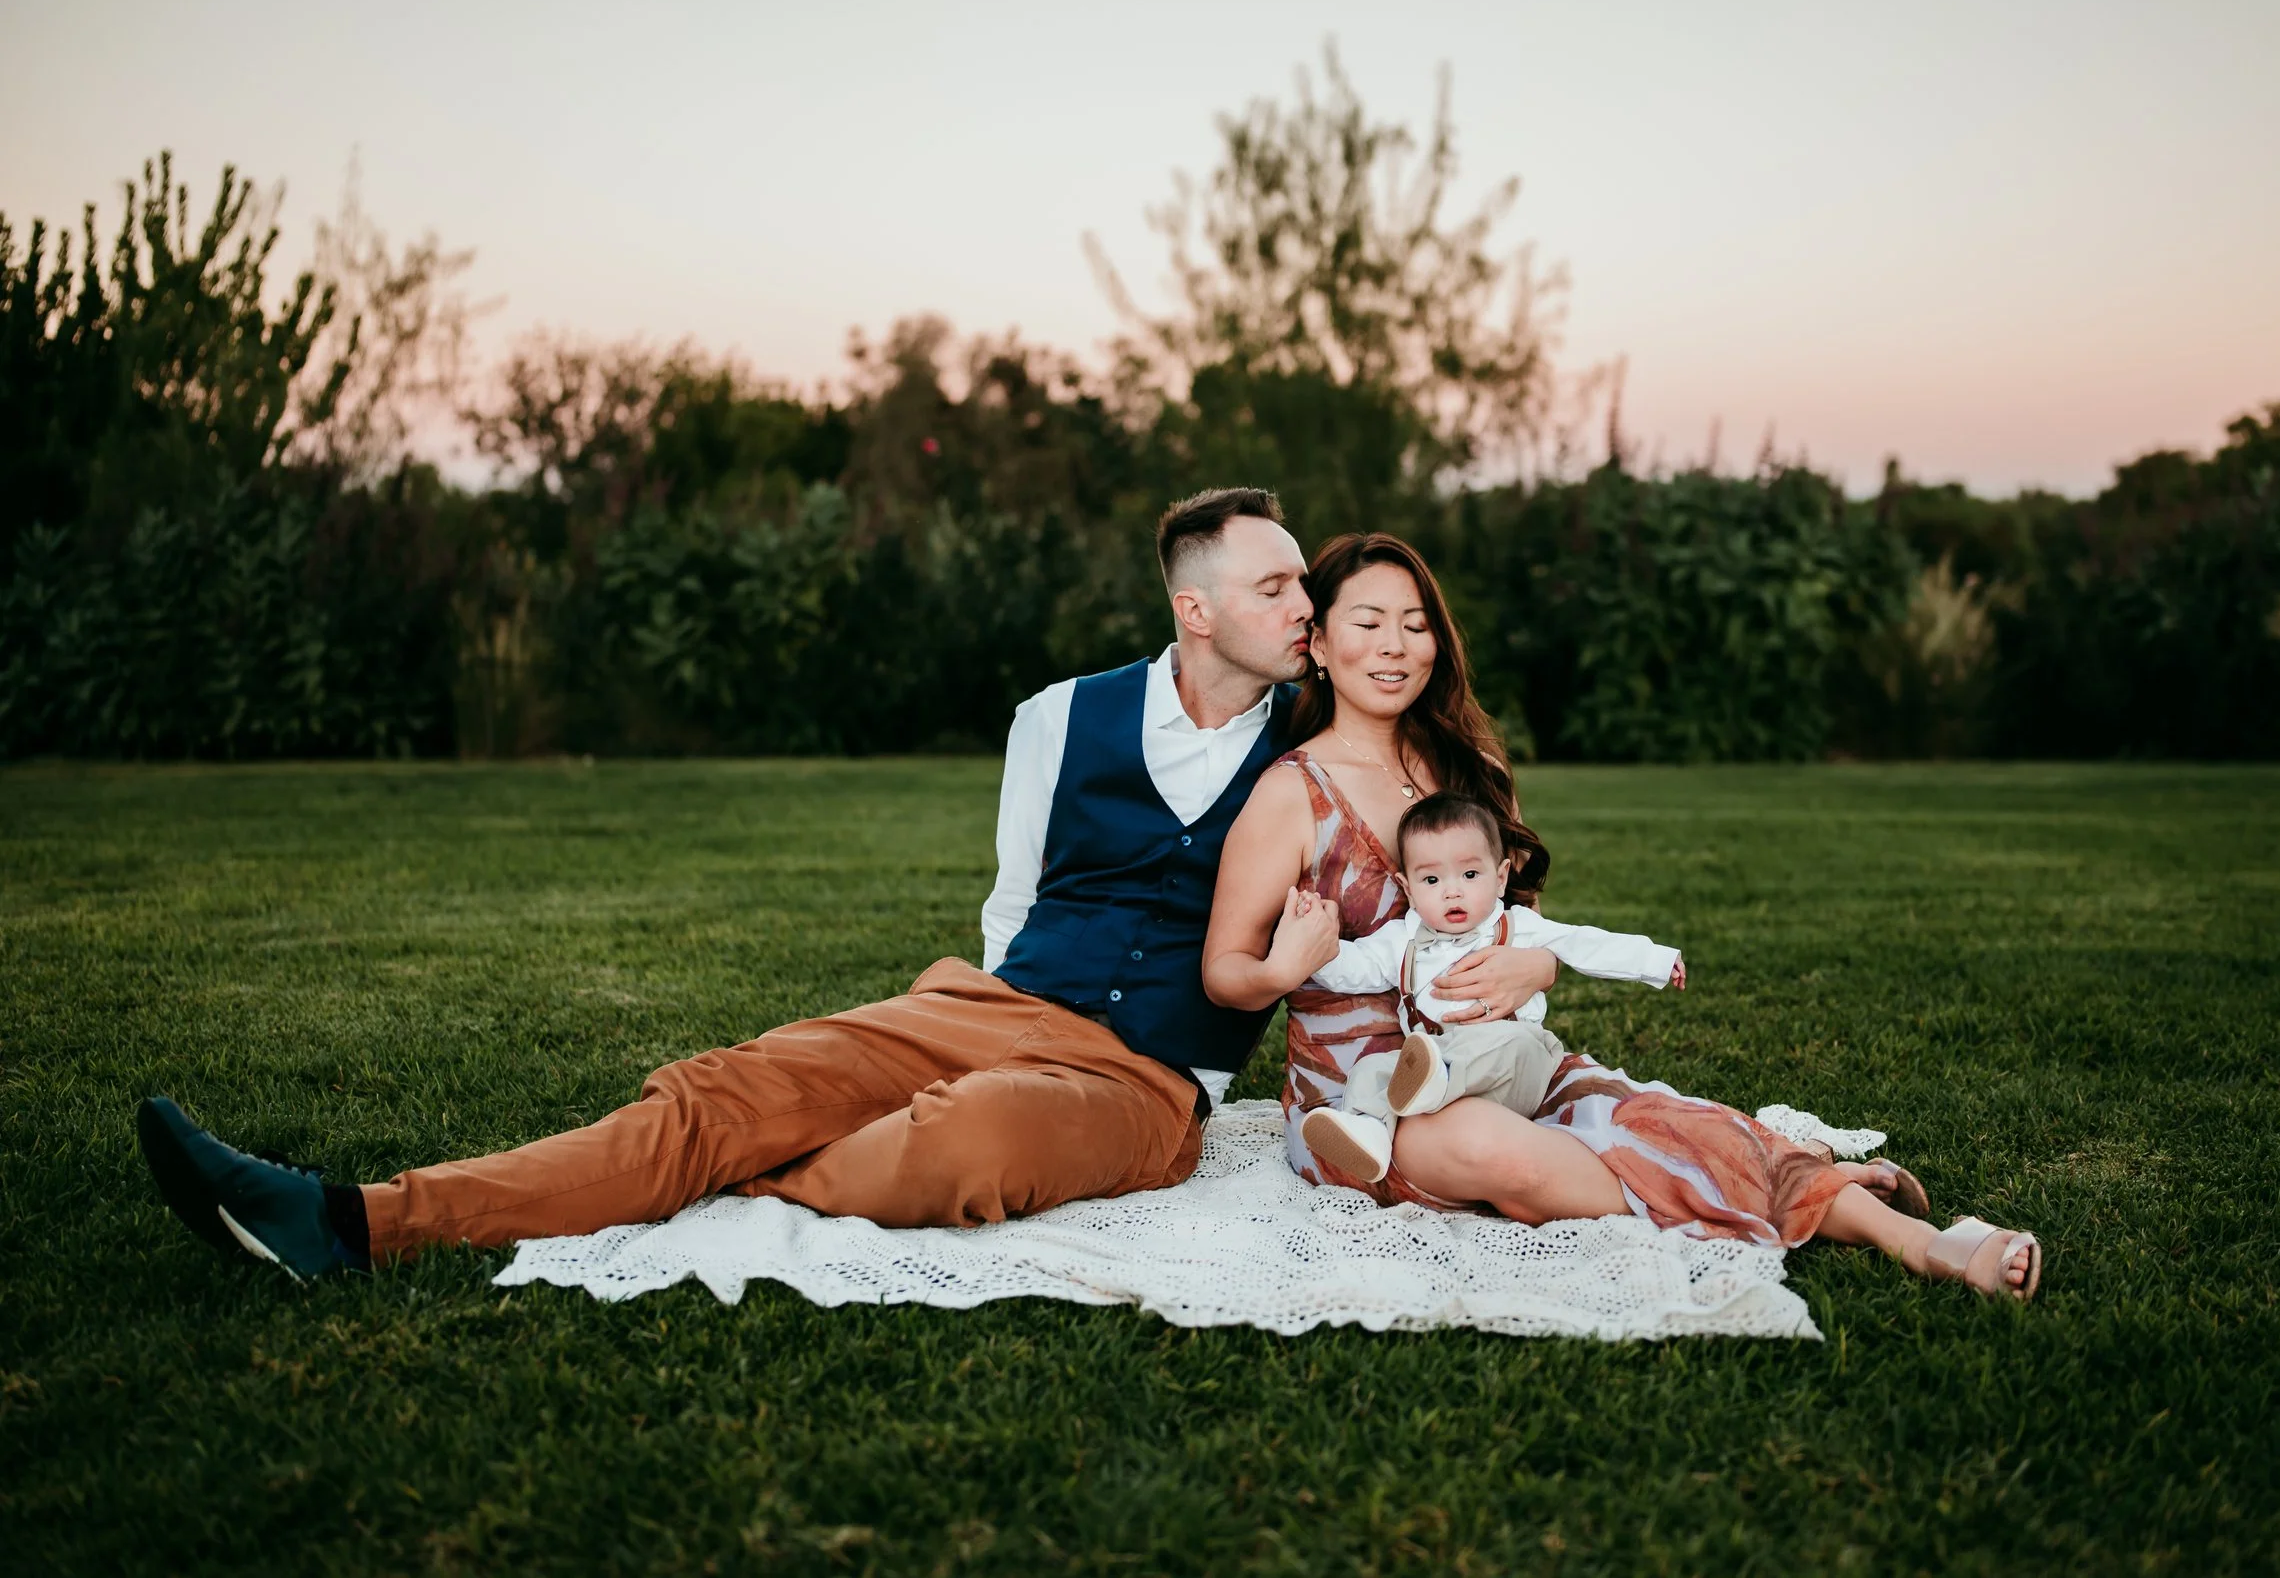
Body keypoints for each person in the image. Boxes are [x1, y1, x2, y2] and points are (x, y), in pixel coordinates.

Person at [137, 486, 1363, 1281]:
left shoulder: (1321, 744)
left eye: (1304, 583)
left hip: (1149, 1076)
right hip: (991, 1007)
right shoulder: (1059, 716)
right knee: (724, 1089)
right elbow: (1014, 898)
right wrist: (984, 1021)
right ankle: (353, 1219)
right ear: (1193, 608)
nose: (1305, 605)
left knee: (970, 1139)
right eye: (1276, 587)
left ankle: (692, 1177)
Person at [1200, 532, 2044, 1300]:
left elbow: (1519, 926)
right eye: (1369, 622)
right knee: (1494, 1150)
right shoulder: (1290, 795)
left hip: (1498, 1057)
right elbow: (1224, 972)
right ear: (1318, 643)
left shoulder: (1469, 767)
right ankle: (1788, 1187)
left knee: (1642, 1120)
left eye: (1416, 624)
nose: (1394, 646)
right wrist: (1285, 964)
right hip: (1365, 1107)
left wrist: (1543, 966)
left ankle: (1929, 1242)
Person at [1286, 790, 1687, 1185]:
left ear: (1500, 878)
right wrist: (1318, 944)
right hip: (1443, 1074)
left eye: (1470, 874)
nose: (1452, 890)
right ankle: (1368, 1131)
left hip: (1517, 1068)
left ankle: (1432, 1081)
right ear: (1407, 888)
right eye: (1431, 879)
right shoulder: (1401, 941)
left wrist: (1655, 960)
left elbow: (1584, 943)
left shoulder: (1517, 927)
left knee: (1508, 1045)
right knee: (1373, 1068)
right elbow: (1354, 969)